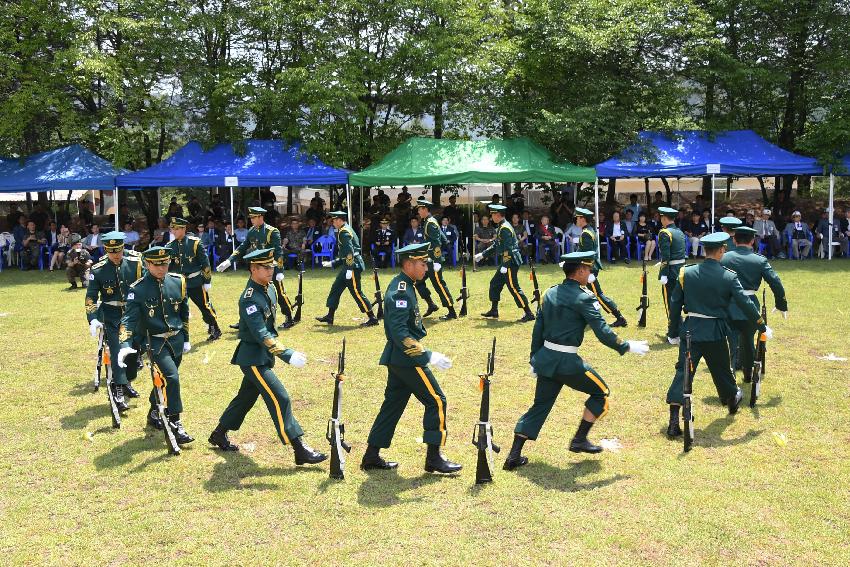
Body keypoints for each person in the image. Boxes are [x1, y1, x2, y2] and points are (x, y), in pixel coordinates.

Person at [503, 251, 649, 469]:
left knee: (540, 405)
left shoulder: (549, 292)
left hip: (546, 358)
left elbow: (538, 328)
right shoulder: (584, 297)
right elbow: (602, 331)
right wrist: (625, 345)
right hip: (567, 361)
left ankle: (513, 455)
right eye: (588, 269)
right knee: (601, 392)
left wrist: (534, 358)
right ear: (580, 271)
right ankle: (579, 439)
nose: (590, 273)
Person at [207, 248, 327, 464]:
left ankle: (219, 433)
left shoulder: (269, 288)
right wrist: (286, 354)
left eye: (272, 266)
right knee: (280, 397)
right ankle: (299, 448)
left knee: (245, 398)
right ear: (253, 269)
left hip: (262, 356)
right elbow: (260, 332)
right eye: (265, 267)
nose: (271, 270)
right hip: (252, 358)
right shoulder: (249, 298)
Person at [360, 242, 461, 474]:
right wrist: (427, 356)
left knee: (392, 405)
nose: (426, 267)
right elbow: (399, 333)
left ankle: (371, 455)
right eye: (422, 263)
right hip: (407, 359)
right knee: (436, 400)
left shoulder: (407, 285)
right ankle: (434, 458)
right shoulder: (400, 292)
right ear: (409, 264)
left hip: (399, 359)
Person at [664, 233, 773, 438]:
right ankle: (732, 400)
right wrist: (761, 325)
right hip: (714, 332)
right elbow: (745, 304)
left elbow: (675, 304)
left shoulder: (686, 273)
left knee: (683, 372)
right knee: (722, 370)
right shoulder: (728, 276)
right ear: (722, 250)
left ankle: (673, 422)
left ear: (705, 250)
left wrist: (672, 332)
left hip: (691, 330)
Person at [116, 246, 194, 445]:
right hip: (155, 342)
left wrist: (186, 337)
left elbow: (183, 312)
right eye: (156, 265)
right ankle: (176, 422)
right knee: (171, 378)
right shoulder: (138, 288)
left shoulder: (178, 282)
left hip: (176, 340)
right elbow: (128, 319)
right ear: (147, 264)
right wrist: (125, 343)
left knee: (165, 379)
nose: (162, 268)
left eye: (165, 264)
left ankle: (153, 412)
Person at [85, 232, 145, 412]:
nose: (116, 255)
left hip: (134, 314)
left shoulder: (136, 262)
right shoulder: (99, 269)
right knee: (118, 350)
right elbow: (90, 297)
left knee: (134, 353)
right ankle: (117, 388)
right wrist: (93, 318)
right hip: (111, 316)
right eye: (111, 252)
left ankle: (126, 381)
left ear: (123, 247)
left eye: (118, 250)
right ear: (106, 250)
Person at [721, 226, 787, 383]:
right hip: (750, 305)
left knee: (730, 342)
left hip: (728, 304)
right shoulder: (759, 259)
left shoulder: (724, 258)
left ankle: (729, 377)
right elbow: (776, 282)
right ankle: (747, 373)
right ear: (752, 241)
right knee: (748, 340)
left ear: (734, 240)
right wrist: (781, 304)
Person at [217, 207, 296, 330]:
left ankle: (289, 317)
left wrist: (279, 270)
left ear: (260, 217)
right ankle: (243, 320)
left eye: (254, 218)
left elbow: (278, 252)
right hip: (256, 269)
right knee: (247, 295)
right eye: (251, 218)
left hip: (270, 268)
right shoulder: (252, 231)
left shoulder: (272, 231)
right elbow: (243, 247)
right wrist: (229, 260)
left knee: (279, 293)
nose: (252, 220)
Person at [315, 211, 378, 327]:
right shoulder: (345, 229)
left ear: (339, 220)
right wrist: (333, 263)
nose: (332, 222)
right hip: (348, 266)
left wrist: (349, 269)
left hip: (352, 266)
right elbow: (345, 253)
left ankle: (372, 318)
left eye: (334, 220)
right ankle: (330, 316)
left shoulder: (344, 232)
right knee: (336, 288)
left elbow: (350, 252)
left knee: (357, 293)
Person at [475, 204, 535, 322]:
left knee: (513, 287)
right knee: (495, 283)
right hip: (508, 261)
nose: (491, 217)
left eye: (492, 215)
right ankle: (494, 310)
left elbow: (508, 248)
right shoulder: (502, 226)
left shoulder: (504, 228)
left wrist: (505, 265)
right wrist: (483, 254)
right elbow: (497, 244)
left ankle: (529, 313)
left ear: (498, 215)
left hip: (510, 261)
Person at [166, 217, 222, 341]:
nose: (173, 232)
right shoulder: (170, 246)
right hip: (179, 284)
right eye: (172, 229)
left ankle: (214, 328)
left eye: (176, 229)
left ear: (183, 229)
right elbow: (168, 267)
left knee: (205, 306)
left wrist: (207, 281)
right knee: (177, 309)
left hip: (195, 282)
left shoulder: (194, 243)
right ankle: (179, 335)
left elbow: (205, 263)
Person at [575, 208, 628, 327]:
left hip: (589, 270)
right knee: (585, 294)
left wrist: (589, 272)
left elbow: (588, 255)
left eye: (578, 218)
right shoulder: (589, 231)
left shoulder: (586, 234)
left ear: (582, 219)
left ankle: (619, 317)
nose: (576, 220)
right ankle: (588, 316)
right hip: (586, 269)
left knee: (598, 295)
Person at [413, 199, 456, 320]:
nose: (418, 212)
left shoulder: (430, 222)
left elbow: (437, 243)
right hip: (428, 260)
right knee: (418, 281)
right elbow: (442, 237)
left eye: (420, 209)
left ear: (425, 210)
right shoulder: (429, 221)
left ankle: (451, 311)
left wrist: (436, 260)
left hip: (433, 260)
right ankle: (431, 304)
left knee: (439, 284)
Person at [657, 207, 687, 329]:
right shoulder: (679, 231)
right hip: (681, 270)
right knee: (679, 300)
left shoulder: (665, 232)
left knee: (670, 302)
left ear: (664, 218)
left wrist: (663, 273)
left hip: (671, 272)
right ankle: (681, 327)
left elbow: (666, 255)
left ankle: (673, 331)